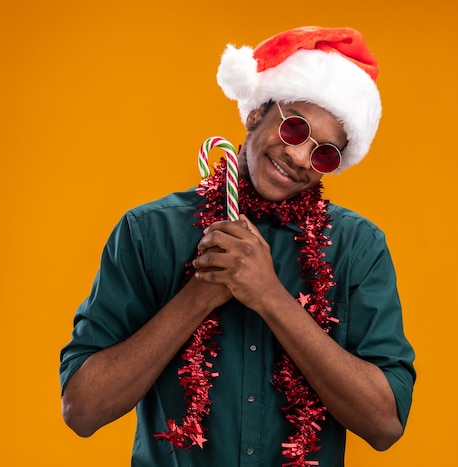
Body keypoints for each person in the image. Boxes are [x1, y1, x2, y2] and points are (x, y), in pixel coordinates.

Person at [59, 25, 416, 466]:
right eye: (294, 129)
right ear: (256, 114)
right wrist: (200, 294)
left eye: (325, 153)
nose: (301, 157)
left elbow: (384, 425)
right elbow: (82, 410)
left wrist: (269, 296)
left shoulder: (358, 249)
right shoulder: (148, 232)